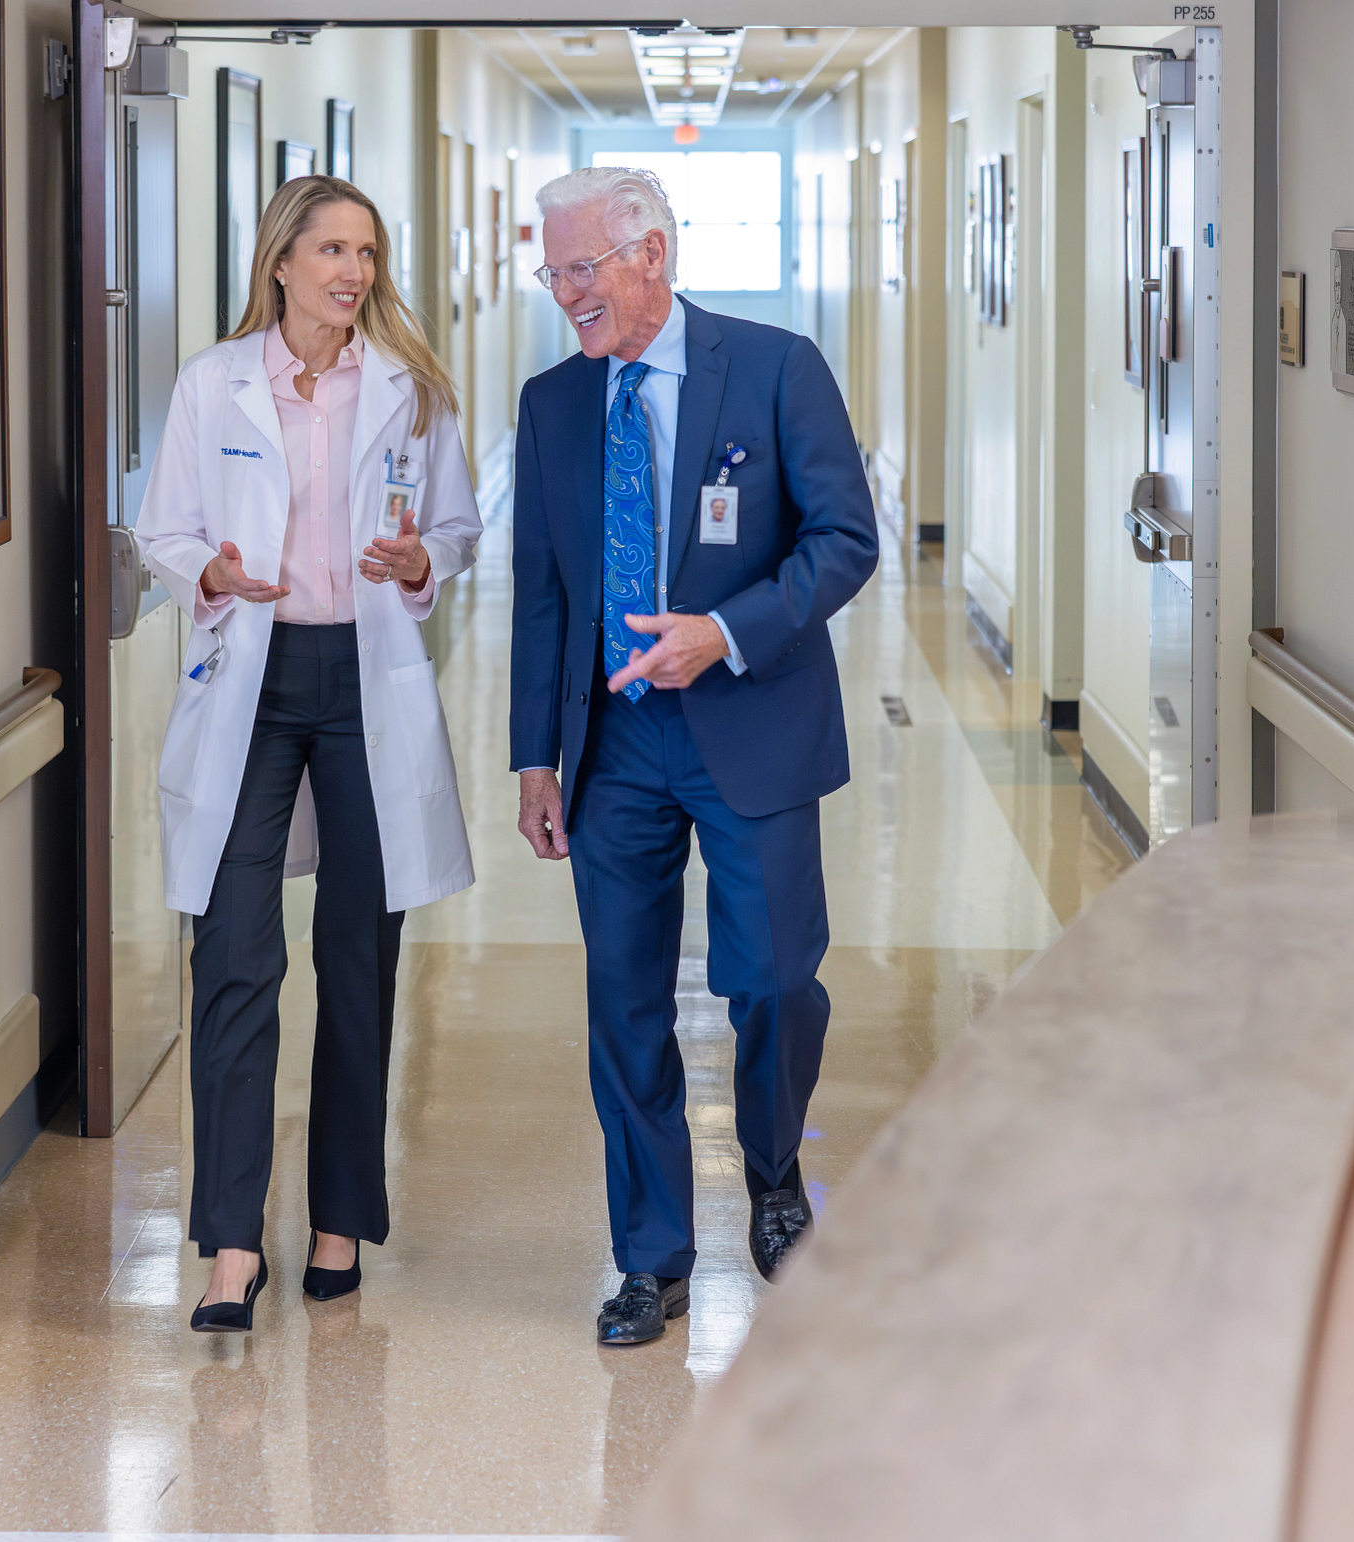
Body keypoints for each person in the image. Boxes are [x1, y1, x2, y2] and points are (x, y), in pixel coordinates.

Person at [509, 166, 877, 1346]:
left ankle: (772, 1176)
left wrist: (722, 632)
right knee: (622, 1003)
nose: (564, 293)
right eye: (550, 269)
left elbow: (844, 541)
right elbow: (541, 596)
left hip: (748, 721)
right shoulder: (553, 403)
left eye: (582, 268)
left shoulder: (772, 369)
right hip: (614, 745)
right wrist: (533, 757)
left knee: (771, 978)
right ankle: (649, 1254)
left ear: (652, 255)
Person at [138, 174, 481, 1335]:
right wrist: (210, 575)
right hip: (253, 679)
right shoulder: (212, 382)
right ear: (280, 260)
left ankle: (339, 1219)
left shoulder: (412, 392)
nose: (352, 271)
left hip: (364, 681)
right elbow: (163, 527)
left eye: (367, 252)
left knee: (359, 958)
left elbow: (456, 527)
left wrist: (419, 563)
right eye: (331, 248)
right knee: (232, 955)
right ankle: (231, 1242)